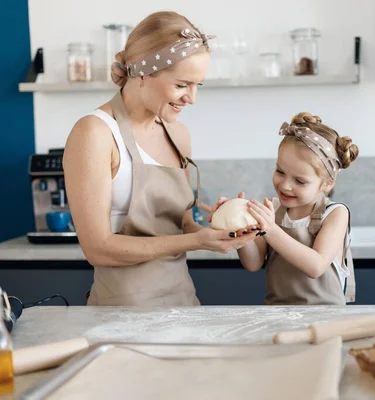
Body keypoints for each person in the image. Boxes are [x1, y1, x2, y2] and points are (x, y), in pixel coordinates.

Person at [63, 11, 256, 306]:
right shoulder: (95, 133)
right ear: (143, 73)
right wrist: (196, 241)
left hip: (182, 300)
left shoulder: (179, 135)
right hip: (120, 312)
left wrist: (218, 227)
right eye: (182, 85)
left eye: (197, 86)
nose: (191, 98)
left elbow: (182, 224)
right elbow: (98, 248)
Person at [235, 112, 359, 305]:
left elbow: (316, 266)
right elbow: (253, 263)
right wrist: (238, 221)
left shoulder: (334, 213)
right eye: (280, 172)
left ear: (327, 184)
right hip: (278, 315)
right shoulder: (273, 209)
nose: (285, 186)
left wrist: (271, 229)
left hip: (326, 319)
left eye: (300, 181)